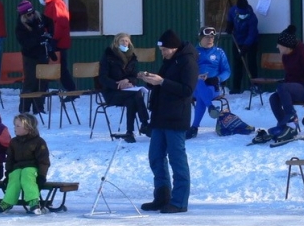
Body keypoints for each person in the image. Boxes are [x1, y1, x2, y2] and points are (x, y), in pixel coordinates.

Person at [139, 29, 198, 214]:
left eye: (165, 49)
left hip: (176, 117)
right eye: (161, 50)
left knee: (177, 159)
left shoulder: (188, 60)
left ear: (173, 47)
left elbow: (187, 90)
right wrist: (149, 80)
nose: (162, 53)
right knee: (156, 157)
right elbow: (163, 83)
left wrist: (162, 82)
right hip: (160, 116)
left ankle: (179, 201)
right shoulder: (170, 60)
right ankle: (162, 196)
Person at [254, 26, 304, 146]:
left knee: (282, 87)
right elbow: (290, 76)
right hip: (294, 88)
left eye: (279, 44)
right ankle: (288, 126)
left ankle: (291, 117)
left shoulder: (303, 56)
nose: (277, 46)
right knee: (273, 97)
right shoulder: (286, 56)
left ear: (287, 46)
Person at [99, 32, 150, 144]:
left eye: (127, 41)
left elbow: (134, 76)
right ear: (116, 43)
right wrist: (118, 84)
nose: (125, 43)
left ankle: (129, 132)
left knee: (132, 100)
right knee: (136, 94)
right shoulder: (108, 56)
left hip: (127, 92)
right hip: (111, 92)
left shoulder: (132, 57)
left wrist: (128, 81)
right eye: (122, 41)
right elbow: (102, 78)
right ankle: (145, 123)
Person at [0, 113, 51, 215]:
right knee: (15, 176)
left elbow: (43, 160)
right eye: (14, 125)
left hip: (33, 169)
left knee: (26, 173)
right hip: (18, 168)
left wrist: (42, 176)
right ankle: (7, 201)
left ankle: (34, 201)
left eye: (18, 126)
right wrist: (8, 173)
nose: (14, 128)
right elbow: (10, 159)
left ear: (28, 128)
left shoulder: (38, 142)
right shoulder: (13, 142)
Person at [187, 26, 231, 139]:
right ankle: (210, 107)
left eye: (212, 37)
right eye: (207, 37)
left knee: (202, 95)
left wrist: (218, 79)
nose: (210, 39)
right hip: (195, 87)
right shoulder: (193, 52)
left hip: (213, 87)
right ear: (200, 38)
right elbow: (187, 70)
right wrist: (196, 76)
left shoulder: (219, 52)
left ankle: (194, 128)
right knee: (200, 83)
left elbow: (227, 71)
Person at [15, 0, 55, 115]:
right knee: (31, 82)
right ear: (23, 15)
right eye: (29, 14)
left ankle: (39, 107)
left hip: (43, 54)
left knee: (43, 82)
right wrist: (40, 39)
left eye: (32, 12)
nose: (32, 15)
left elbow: (50, 22)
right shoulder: (20, 28)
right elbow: (27, 44)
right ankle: (24, 108)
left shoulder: (39, 17)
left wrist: (49, 35)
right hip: (30, 57)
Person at [37, 0, 76, 91]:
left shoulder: (56, 4)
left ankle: (72, 91)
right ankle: (71, 90)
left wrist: (54, 39)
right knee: (59, 68)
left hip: (58, 42)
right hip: (55, 40)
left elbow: (61, 23)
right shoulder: (51, 5)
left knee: (61, 68)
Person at [225, 0, 258, 93]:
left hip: (251, 42)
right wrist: (229, 25)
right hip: (237, 40)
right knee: (237, 62)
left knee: (251, 64)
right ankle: (236, 87)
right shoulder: (233, 11)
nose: (241, 15)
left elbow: (251, 35)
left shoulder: (252, 18)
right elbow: (230, 18)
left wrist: (245, 47)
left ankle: (254, 85)